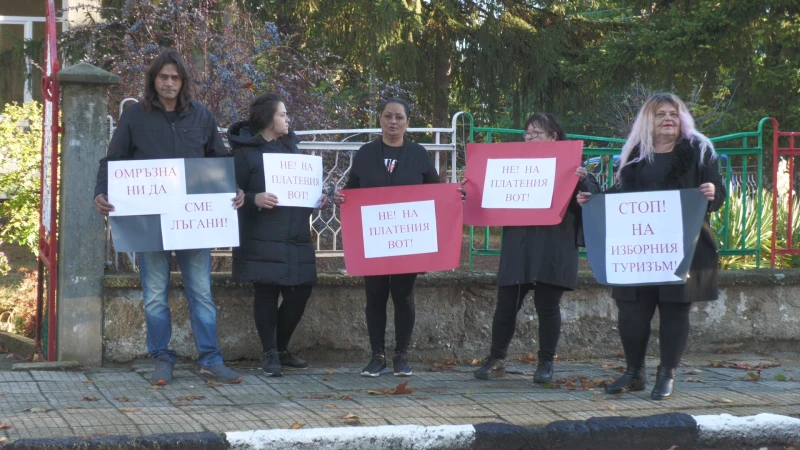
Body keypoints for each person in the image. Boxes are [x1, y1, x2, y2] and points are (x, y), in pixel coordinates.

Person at [94, 50, 244, 386]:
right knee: (155, 294)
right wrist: (100, 192)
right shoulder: (134, 116)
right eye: (164, 77)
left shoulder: (201, 115)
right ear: (153, 80)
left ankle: (211, 359)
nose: (169, 83)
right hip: (150, 222)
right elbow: (113, 160)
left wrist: (234, 189)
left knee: (201, 293)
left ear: (183, 81)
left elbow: (218, 161)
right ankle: (161, 358)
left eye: (175, 77)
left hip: (193, 223)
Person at [577, 93, 725, 400]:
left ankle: (666, 375)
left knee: (674, 308)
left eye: (674, 113)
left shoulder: (700, 150)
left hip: (684, 247)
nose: (668, 118)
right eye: (660, 114)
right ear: (648, 120)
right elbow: (618, 196)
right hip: (638, 248)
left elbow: (718, 193)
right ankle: (634, 373)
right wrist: (592, 200)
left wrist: (713, 192)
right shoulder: (634, 154)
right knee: (631, 309)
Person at [473, 113, 600, 384]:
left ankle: (545, 363)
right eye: (526, 133)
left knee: (547, 306)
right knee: (506, 304)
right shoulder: (511, 165)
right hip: (519, 242)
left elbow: (590, 200)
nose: (529, 137)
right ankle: (496, 359)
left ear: (553, 137)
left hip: (553, 243)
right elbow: (487, 191)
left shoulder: (572, 168)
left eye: (536, 133)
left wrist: (583, 181)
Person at [333, 98, 440, 377]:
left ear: (407, 122)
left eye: (399, 117)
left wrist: (458, 196)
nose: (393, 122)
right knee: (375, 296)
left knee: (403, 296)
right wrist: (340, 197)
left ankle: (401, 356)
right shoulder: (366, 153)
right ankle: (377, 355)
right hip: (374, 239)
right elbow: (351, 190)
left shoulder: (418, 153)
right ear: (380, 119)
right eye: (387, 116)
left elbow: (436, 192)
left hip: (407, 240)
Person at [229, 93, 327, 377]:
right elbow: (229, 194)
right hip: (261, 235)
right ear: (268, 119)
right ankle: (270, 352)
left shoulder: (292, 152)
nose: (288, 119)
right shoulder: (243, 153)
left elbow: (300, 191)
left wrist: (316, 199)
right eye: (283, 114)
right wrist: (253, 198)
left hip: (295, 234)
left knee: (301, 291)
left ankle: (281, 347)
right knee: (267, 291)